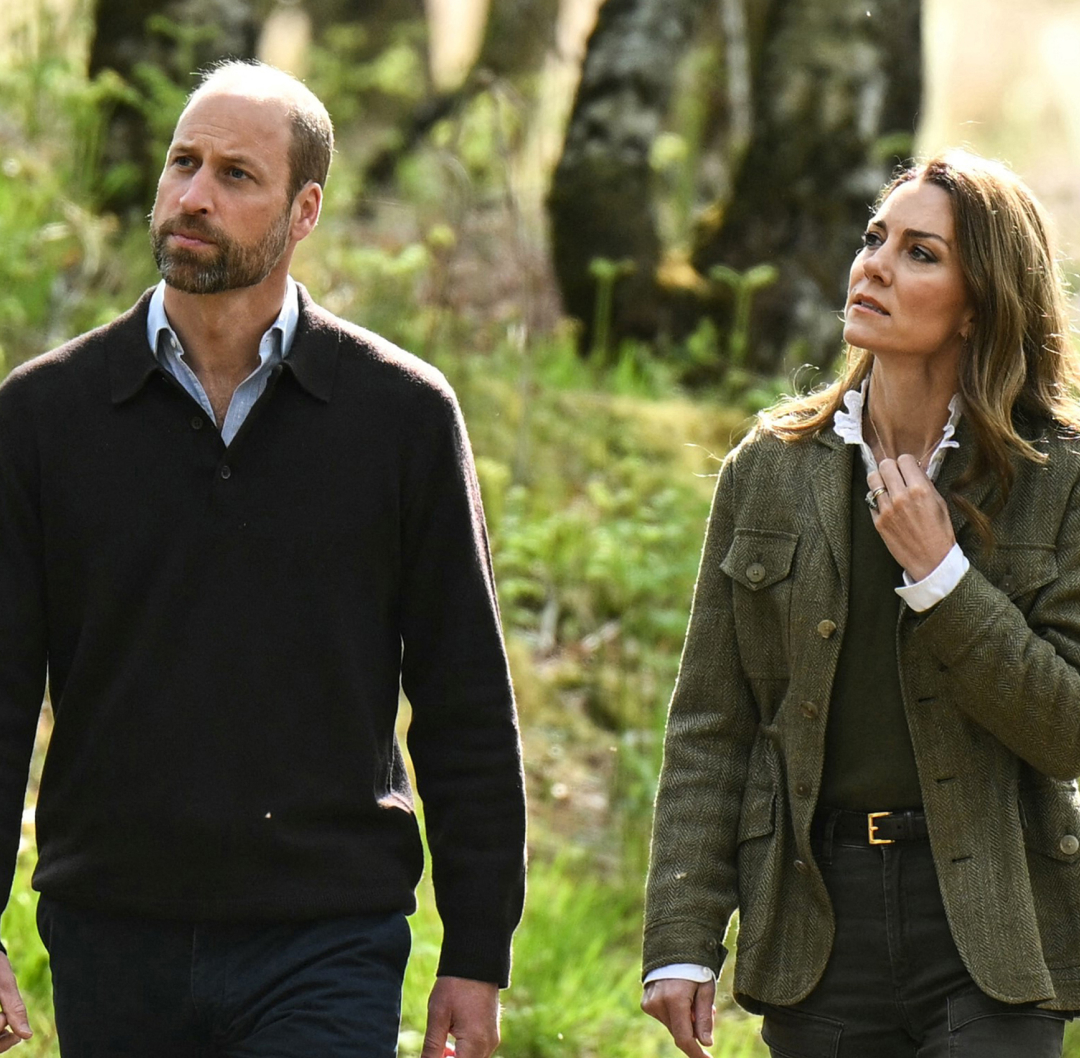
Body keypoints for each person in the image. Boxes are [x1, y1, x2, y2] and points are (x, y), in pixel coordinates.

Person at [0, 60, 526, 1058]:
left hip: (326, 934)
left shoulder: (402, 417)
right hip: (112, 926)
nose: (193, 196)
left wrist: (477, 951)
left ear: (304, 210)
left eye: (236, 176)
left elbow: (464, 701)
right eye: (182, 164)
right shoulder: (43, 415)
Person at [640, 149, 1080, 1058]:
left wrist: (943, 578)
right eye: (876, 238)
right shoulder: (767, 471)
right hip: (817, 922)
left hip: (994, 924)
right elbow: (711, 725)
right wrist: (681, 941)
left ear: (982, 302)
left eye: (922, 253)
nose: (874, 264)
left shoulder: (1059, 476)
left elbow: (1069, 727)